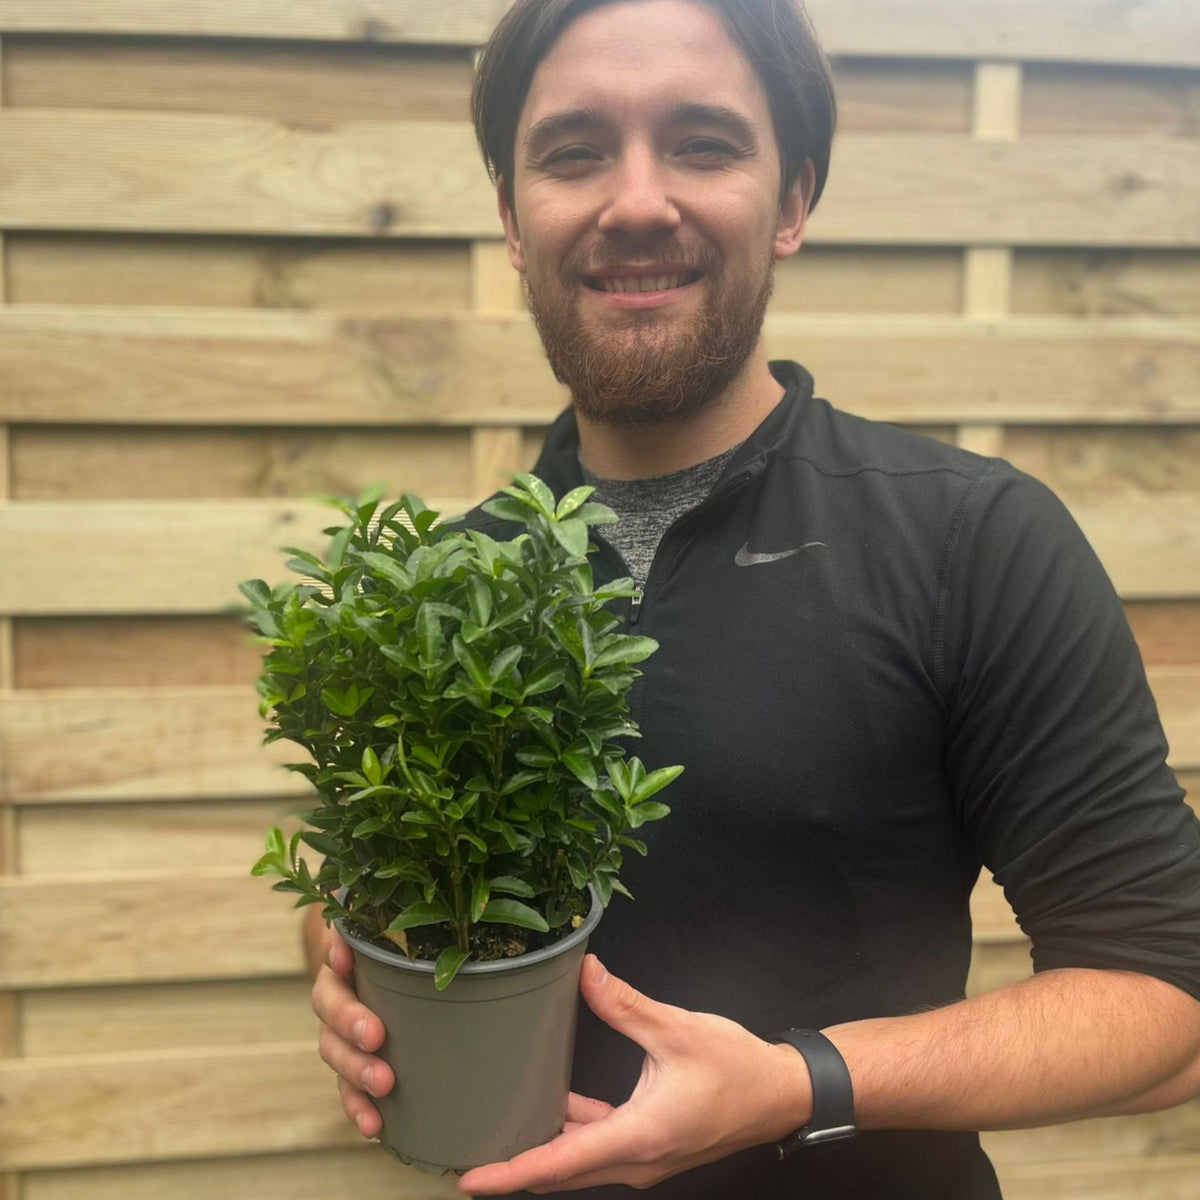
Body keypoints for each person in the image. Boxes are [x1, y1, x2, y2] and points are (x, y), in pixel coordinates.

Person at [307, 1, 1200, 1196]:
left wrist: (800, 1084)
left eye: (702, 143)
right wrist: (344, 960)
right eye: (574, 151)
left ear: (790, 203)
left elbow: (1165, 999)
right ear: (514, 219)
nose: (635, 201)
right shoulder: (443, 596)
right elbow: (364, 879)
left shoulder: (968, 537)